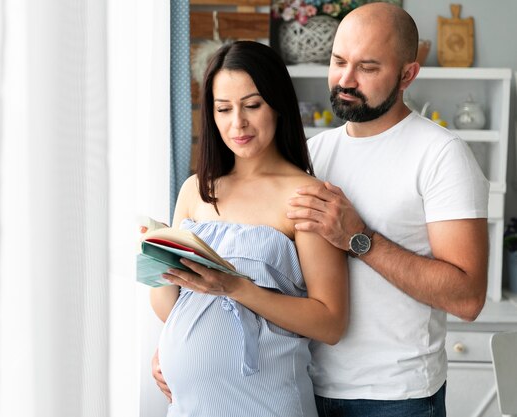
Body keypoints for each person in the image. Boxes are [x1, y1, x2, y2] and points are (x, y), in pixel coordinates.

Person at [284, 3, 489, 417]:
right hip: (304, 385)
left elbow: (468, 299)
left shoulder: (441, 155)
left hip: (397, 398)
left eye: (368, 67)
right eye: (338, 61)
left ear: (407, 75)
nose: (345, 79)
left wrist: (358, 239)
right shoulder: (313, 154)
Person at [149, 40, 348, 417]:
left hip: (266, 402)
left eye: (252, 106)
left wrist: (236, 288)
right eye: (223, 109)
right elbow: (172, 309)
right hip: (190, 406)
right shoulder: (196, 189)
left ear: (277, 105)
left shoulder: (306, 195)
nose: (237, 123)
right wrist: (159, 265)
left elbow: (330, 322)